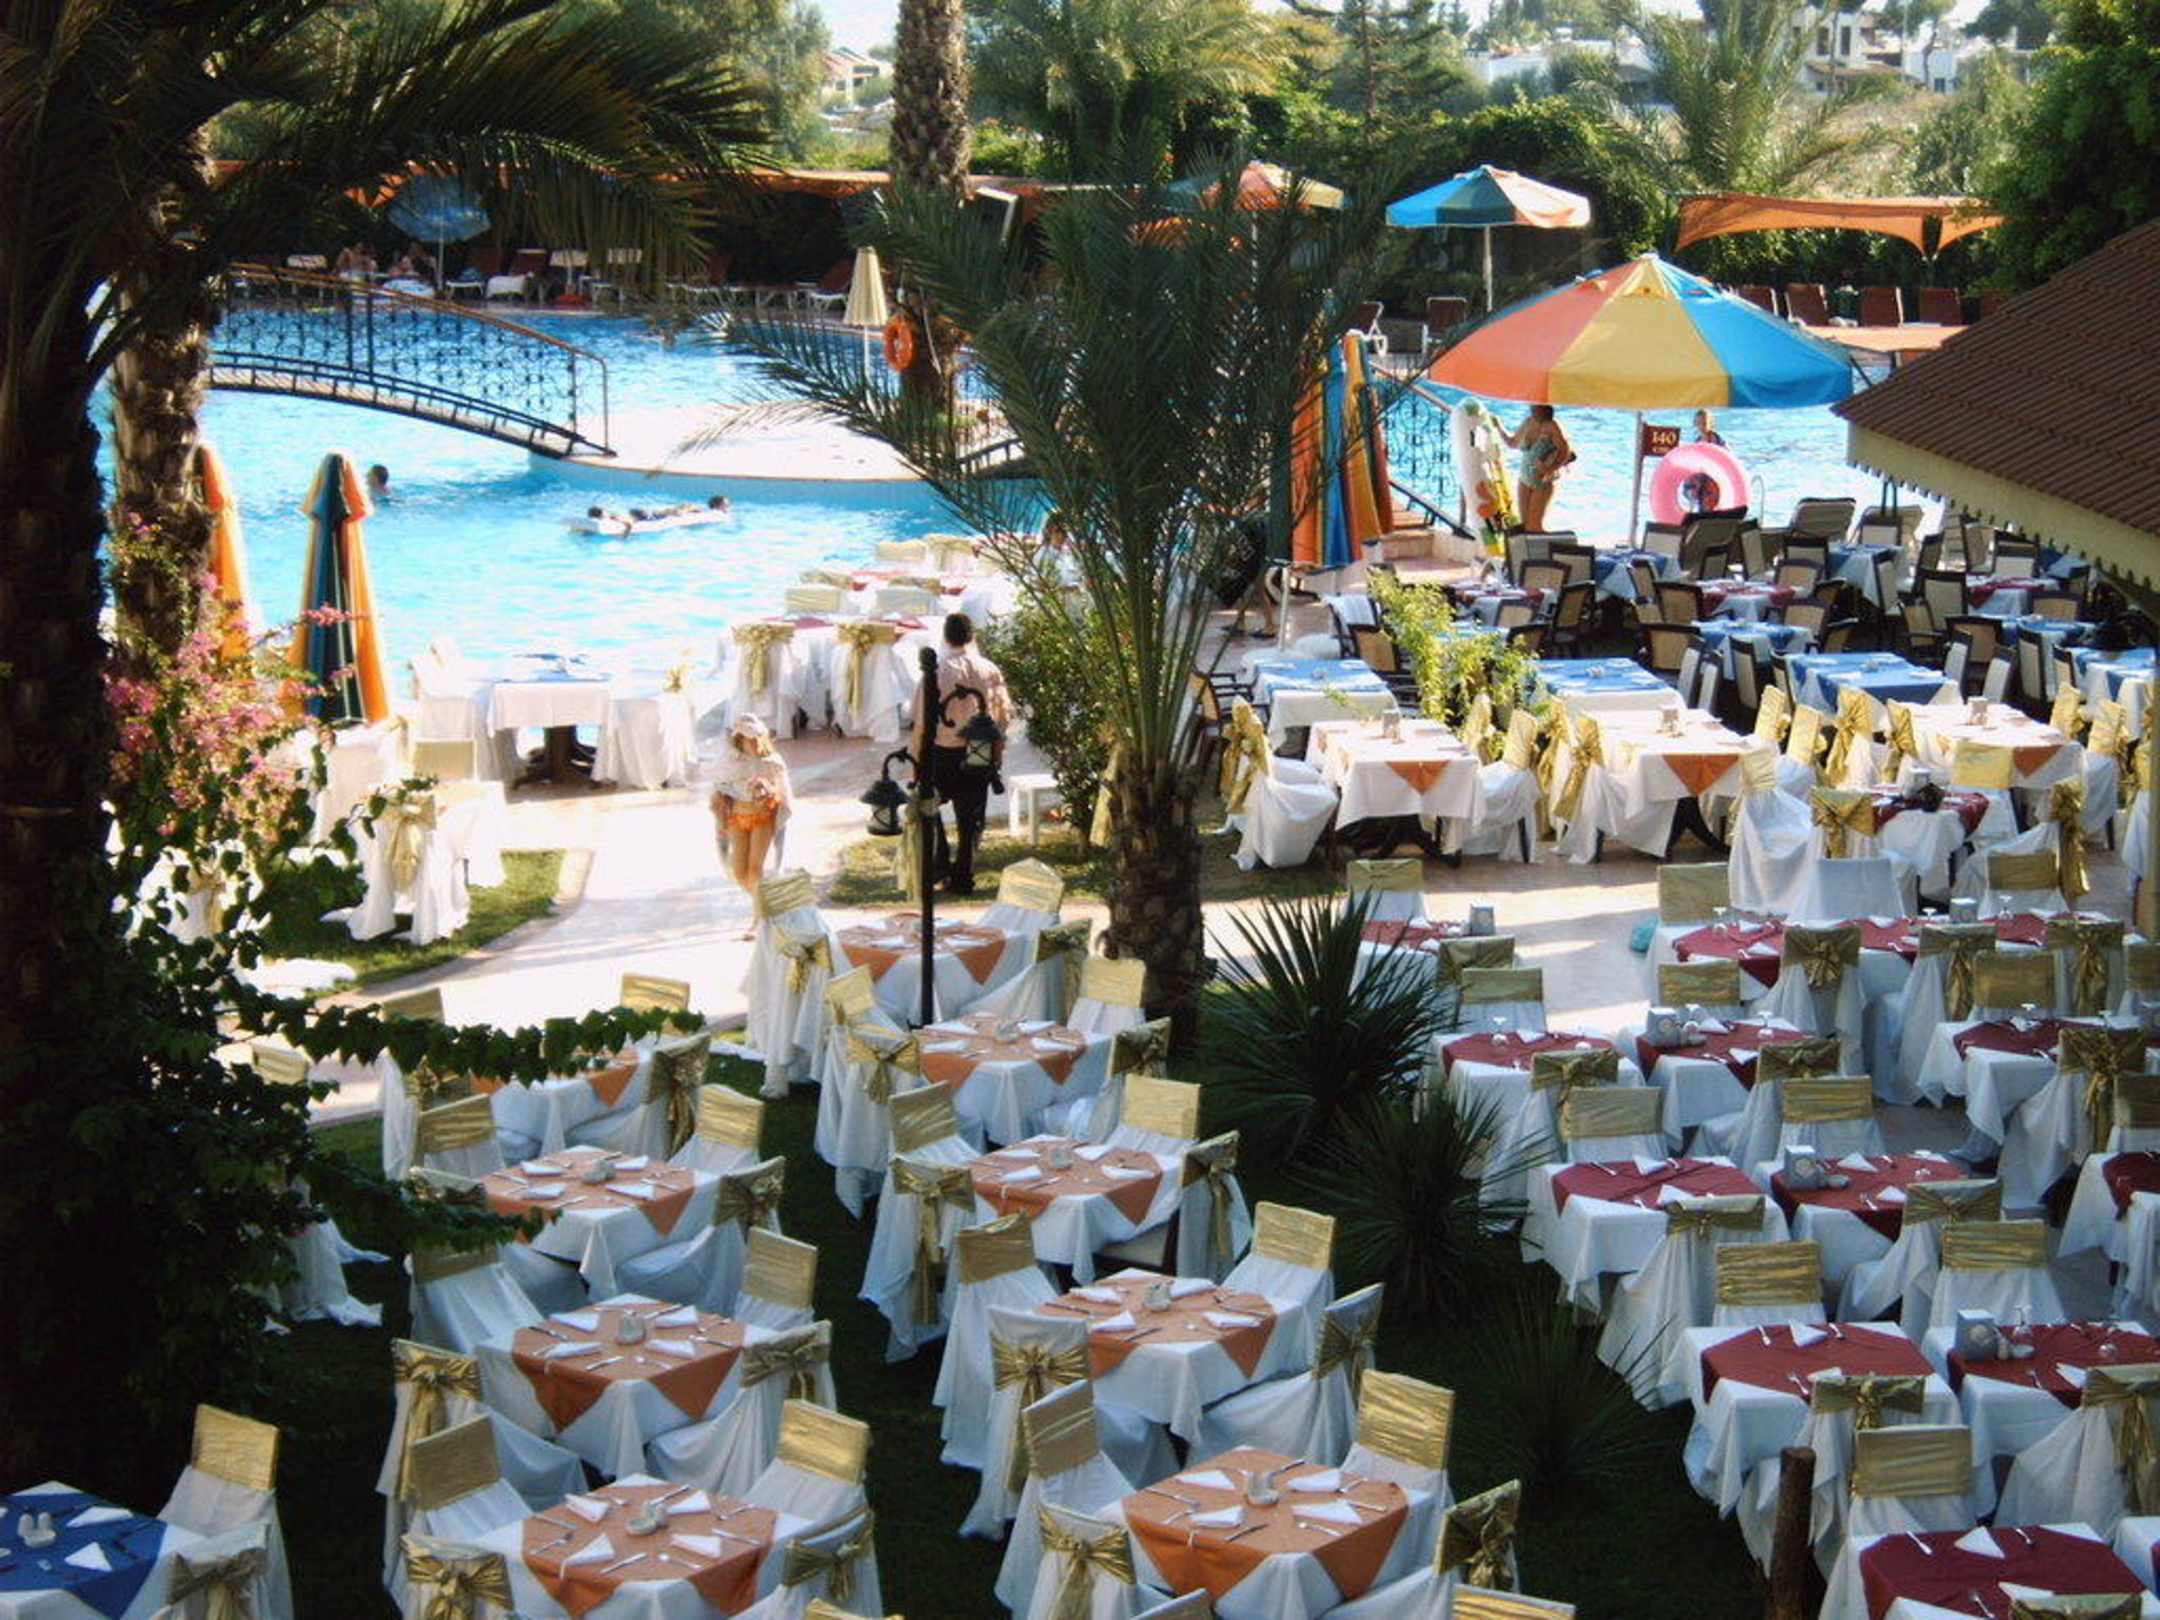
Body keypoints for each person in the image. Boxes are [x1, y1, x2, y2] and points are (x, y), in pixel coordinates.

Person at [913, 611, 1013, 895]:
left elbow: (921, 721)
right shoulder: (988, 669)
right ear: (972, 636)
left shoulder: (936, 672)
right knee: (971, 818)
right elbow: (1003, 715)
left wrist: (917, 759)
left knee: (931, 810)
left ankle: (941, 864)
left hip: (942, 751)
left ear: (946, 638)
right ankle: (963, 875)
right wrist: (996, 753)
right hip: (977, 751)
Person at [709, 714, 792, 932]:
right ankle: (767, 907)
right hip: (737, 819)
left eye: (756, 738)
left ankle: (760, 920)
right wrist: (719, 803)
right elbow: (719, 788)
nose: (753, 743)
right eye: (749, 739)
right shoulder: (730, 764)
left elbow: (783, 794)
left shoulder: (772, 763)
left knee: (755, 872)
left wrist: (767, 789)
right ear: (739, 740)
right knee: (739, 872)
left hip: (762, 818)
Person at [1507, 404, 1572, 532]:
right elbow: (1512, 443)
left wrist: (1550, 468)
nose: (1531, 408)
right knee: (1525, 525)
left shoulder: (1552, 426)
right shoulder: (1528, 422)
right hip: (1525, 478)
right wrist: (1497, 427)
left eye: (1535, 407)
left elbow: (1566, 451)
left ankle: (1549, 544)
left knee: (1534, 526)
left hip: (1542, 481)